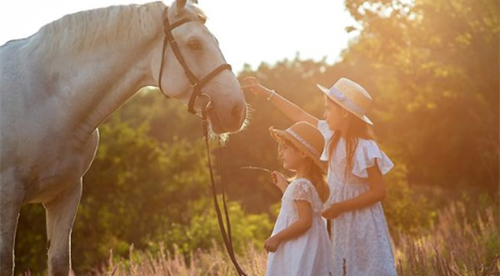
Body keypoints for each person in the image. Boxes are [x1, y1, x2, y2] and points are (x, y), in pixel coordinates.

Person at [244, 76, 397, 276]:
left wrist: (341, 206)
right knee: (340, 268)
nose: (324, 114)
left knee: (366, 267)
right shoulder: (331, 136)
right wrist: (268, 94)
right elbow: (298, 114)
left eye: (328, 109)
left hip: (362, 221)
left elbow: (379, 192)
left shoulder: (366, 147)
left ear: (344, 113)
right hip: (338, 219)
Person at [264, 121, 333, 276]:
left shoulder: (300, 185)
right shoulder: (307, 184)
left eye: (285, 148)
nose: (280, 154)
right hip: (311, 246)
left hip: (299, 246)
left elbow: (304, 221)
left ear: (302, 153)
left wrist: (277, 238)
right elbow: (296, 208)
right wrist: (283, 187)